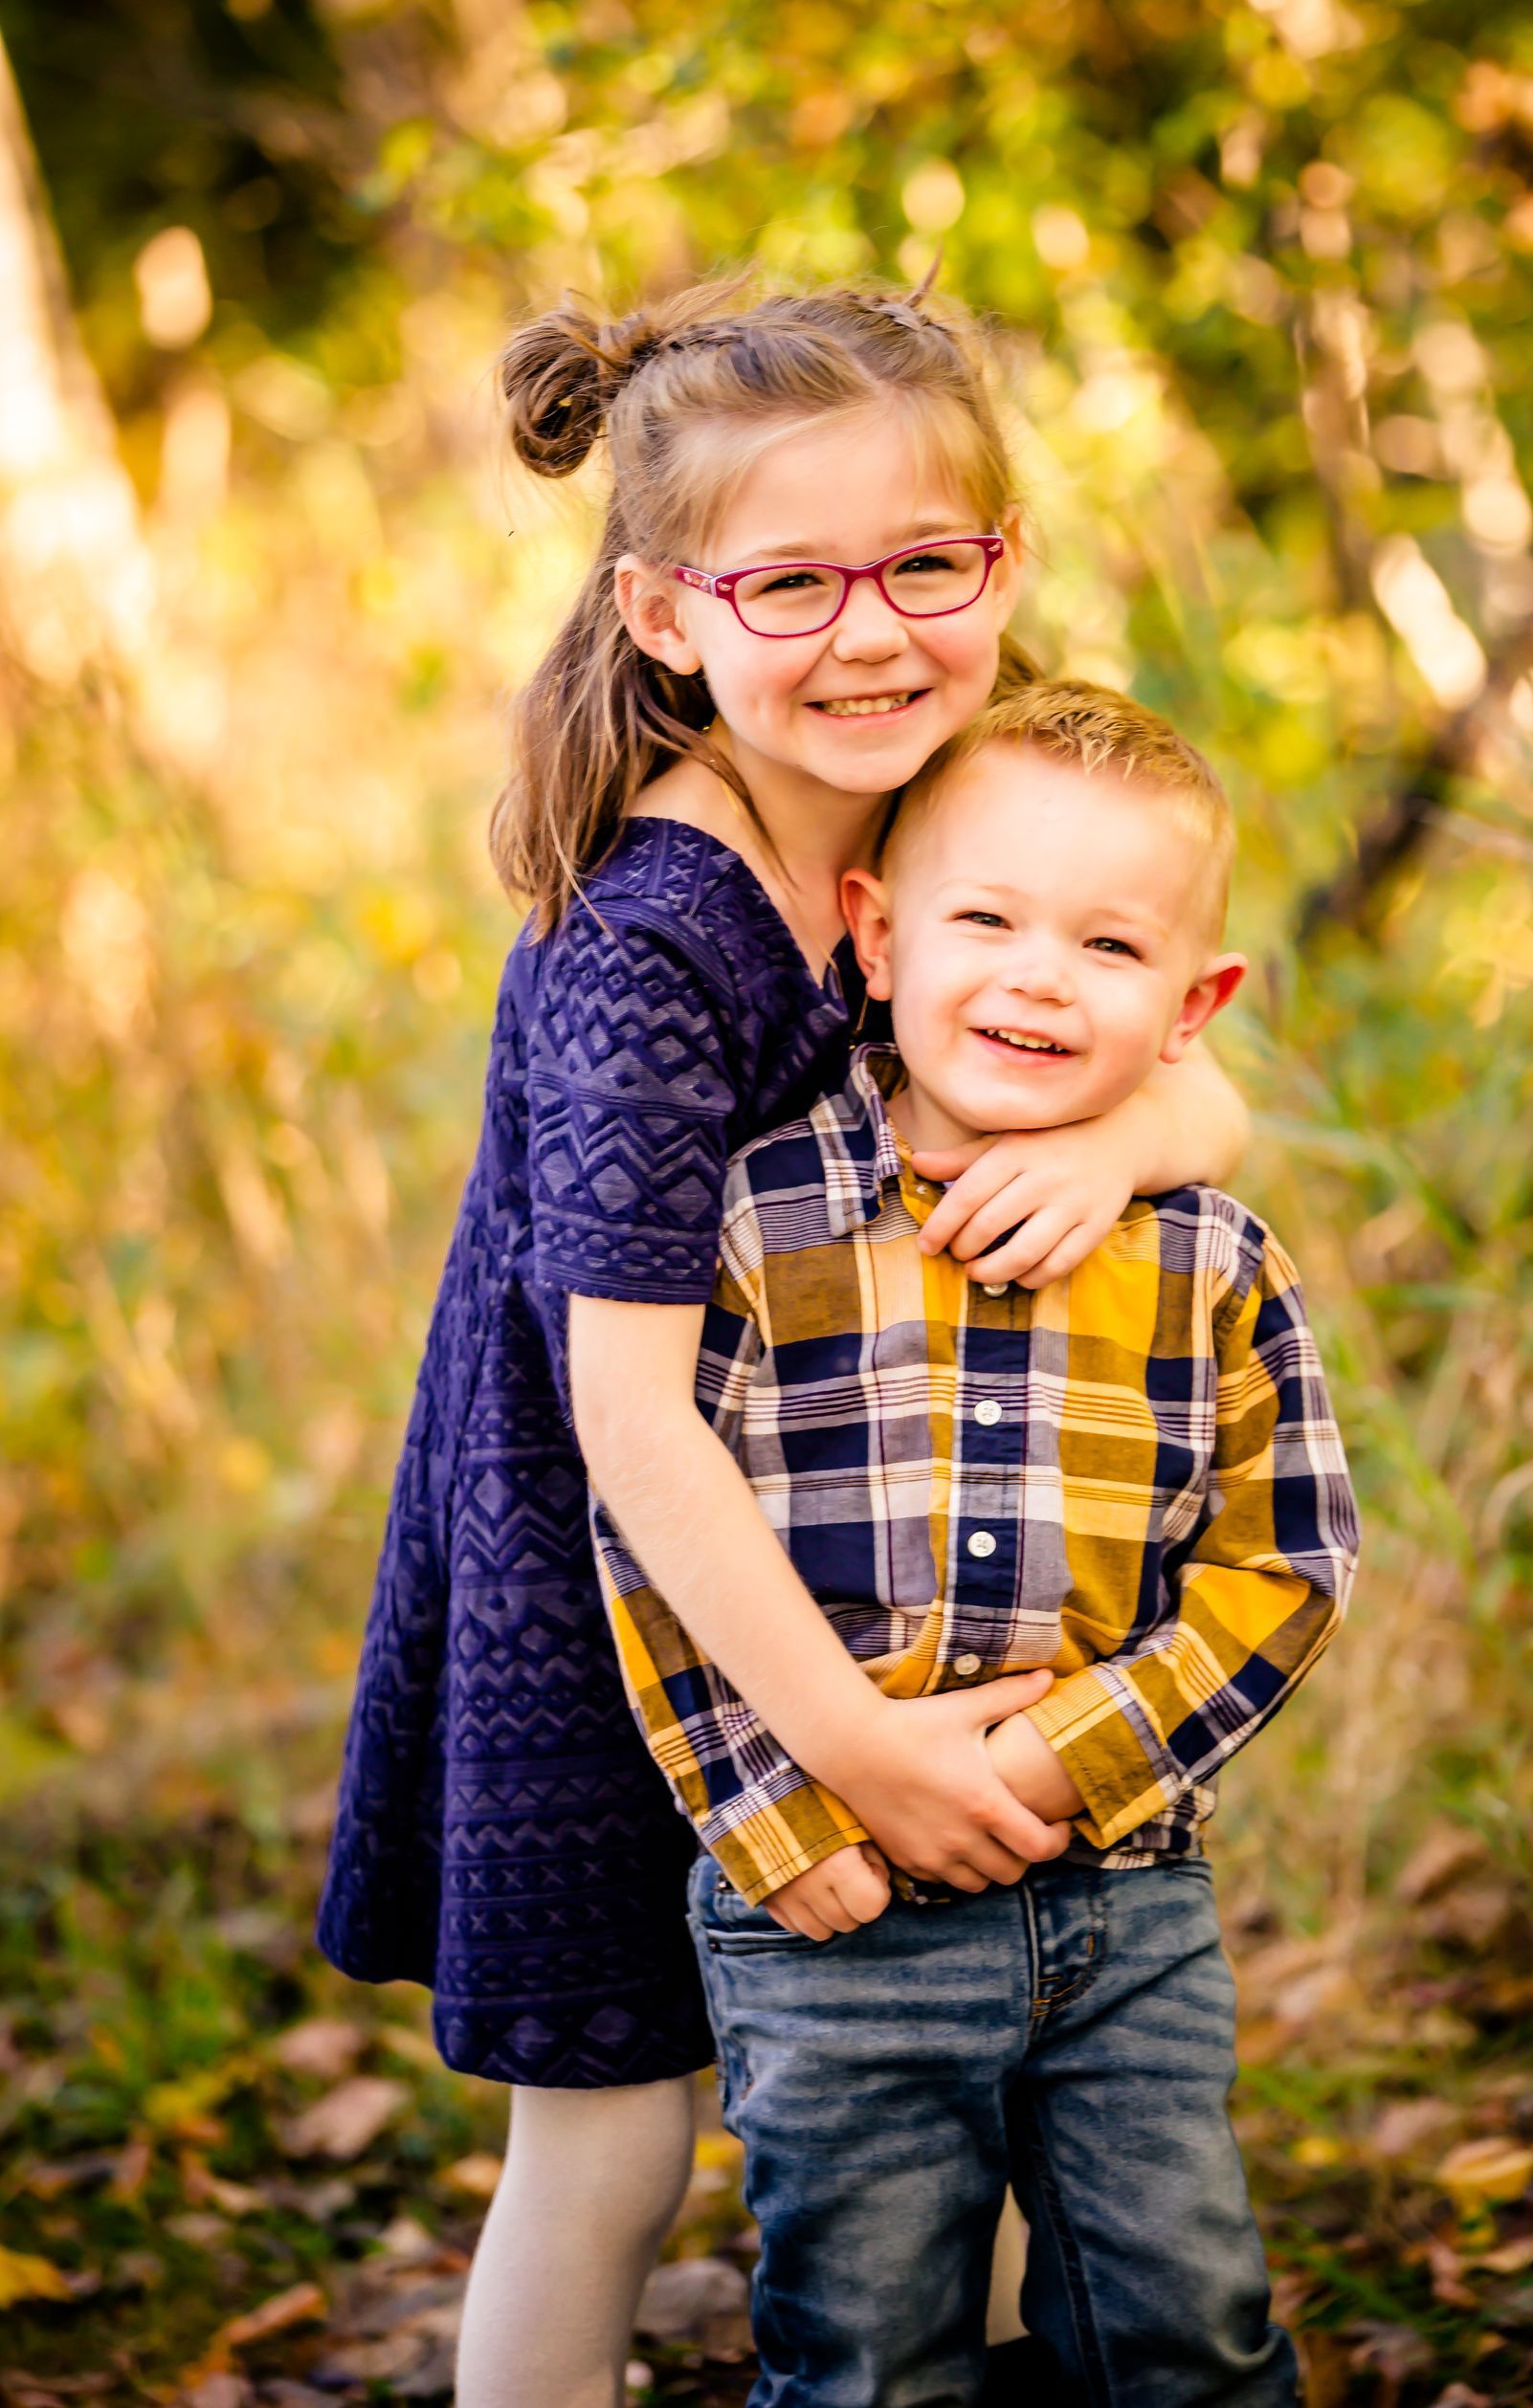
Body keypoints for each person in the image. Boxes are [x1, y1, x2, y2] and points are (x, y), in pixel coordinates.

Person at [315, 277, 1254, 2408]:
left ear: (1000, 562)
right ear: (666, 613)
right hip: (611, 1585)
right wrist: (864, 1746)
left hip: (890, 1548)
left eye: (929, 564)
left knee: (980, 2065)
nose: (873, 633)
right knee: (621, 2130)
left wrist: (1128, 1137)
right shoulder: (650, 950)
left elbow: (1192, 1067)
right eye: (793, 581)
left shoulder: (970, 809)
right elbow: (623, 1416)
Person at [598, 679, 1360, 2408]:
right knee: (865, 2355)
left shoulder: (1210, 1261)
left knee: (1187, 2329)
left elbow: (1288, 1561)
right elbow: (651, 1535)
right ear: (874, 931)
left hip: (1128, 1905)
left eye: (1109, 943)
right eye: (986, 919)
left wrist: (1055, 1757)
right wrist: (775, 1817)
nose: (1036, 973)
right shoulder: (758, 1220)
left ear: (1195, 1003)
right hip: (835, 1912)